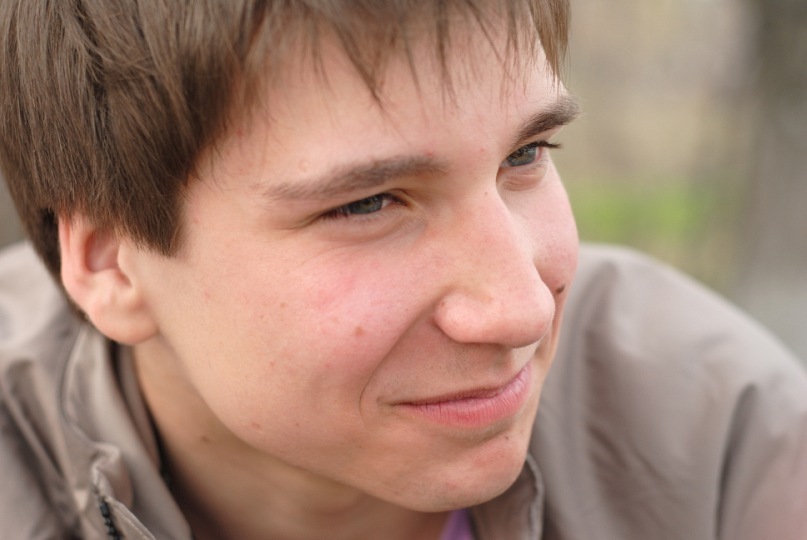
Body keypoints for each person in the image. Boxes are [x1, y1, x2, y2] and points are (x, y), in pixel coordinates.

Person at [0, 1, 805, 538]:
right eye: (368, 204)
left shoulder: (720, 437)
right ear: (109, 262)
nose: (522, 309)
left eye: (525, 155)